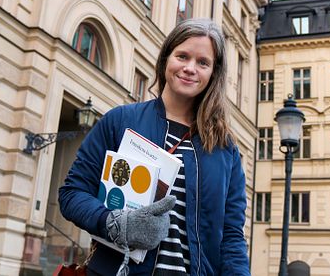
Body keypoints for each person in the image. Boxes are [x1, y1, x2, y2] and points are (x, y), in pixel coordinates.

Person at [59, 18, 250, 275]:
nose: (190, 68)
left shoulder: (224, 150)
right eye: (182, 56)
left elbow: (231, 237)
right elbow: (72, 193)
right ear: (165, 60)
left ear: (213, 73)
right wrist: (113, 223)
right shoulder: (121, 121)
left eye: (202, 62)